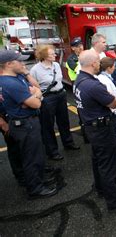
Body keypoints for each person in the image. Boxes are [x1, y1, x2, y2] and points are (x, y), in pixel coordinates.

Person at [74, 50, 116, 212]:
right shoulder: (93, 85)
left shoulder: (80, 80)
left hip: (91, 127)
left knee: (98, 160)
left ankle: (101, 188)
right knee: (108, 165)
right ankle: (114, 202)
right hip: (101, 128)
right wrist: (112, 97)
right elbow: (114, 103)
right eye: (98, 62)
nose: (99, 65)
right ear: (93, 63)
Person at [0, 50, 58, 199]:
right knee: (31, 157)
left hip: (25, 121)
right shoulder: (10, 83)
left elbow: (36, 87)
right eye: (19, 61)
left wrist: (31, 85)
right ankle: (36, 188)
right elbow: (36, 103)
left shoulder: (16, 76)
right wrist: (36, 95)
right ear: (8, 64)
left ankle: (38, 180)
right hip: (25, 124)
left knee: (35, 155)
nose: (23, 63)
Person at [30, 45, 78, 162]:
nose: (55, 55)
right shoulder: (35, 70)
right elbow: (32, 87)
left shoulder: (56, 65)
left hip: (61, 95)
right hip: (47, 98)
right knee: (48, 126)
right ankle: (52, 151)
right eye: (52, 54)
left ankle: (68, 143)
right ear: (44, 56)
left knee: (64, 121)